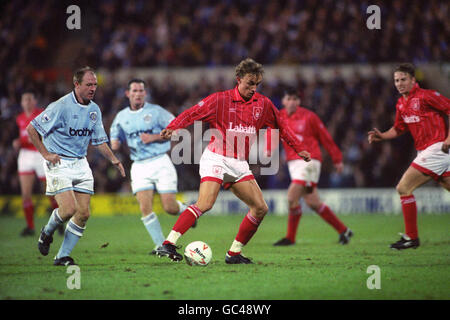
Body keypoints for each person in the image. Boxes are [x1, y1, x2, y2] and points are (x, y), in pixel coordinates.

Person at [156, 58, 311, 264]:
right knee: (206, 203)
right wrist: (174, 126)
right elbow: (193, 113)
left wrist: (299, 148)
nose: (253, 88)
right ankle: (168, 244)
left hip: (238, 163)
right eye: (249, 83)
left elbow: (281, 126)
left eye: (257, 84)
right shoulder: (220, 100)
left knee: (260, 208)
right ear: (238, 79)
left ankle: (234, 253)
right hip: (216, 157)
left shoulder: (263, 105)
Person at [27, 66, 125, 266]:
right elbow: (32, 128)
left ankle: (62, 256)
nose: (93, 88)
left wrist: (114, 159)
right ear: (76, 84)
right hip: (59, 161)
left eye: (95, 85)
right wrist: (45, 154)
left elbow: (98, 141)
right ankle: (47, 231)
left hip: (80, 163)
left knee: (84, 213)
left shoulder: (94, 110)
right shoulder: (61, 106)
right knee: (69, 208)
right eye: (89, 84)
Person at [368, 63, 450, 250]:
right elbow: (399, 128)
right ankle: (411, 238)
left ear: (413, 80)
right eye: (396, 80)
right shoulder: (401, 103)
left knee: (403, 188)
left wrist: (449, 137)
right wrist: (382, 135)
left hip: (437, 148)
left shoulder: (427, 96)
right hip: (426, 151)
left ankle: (411, 238)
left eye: (403, 79)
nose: (399, 83)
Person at [110, 79, 188, 254]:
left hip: (160, 161)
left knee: (170, 208)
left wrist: (153, 137)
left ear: (145, 94)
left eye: (140, 91)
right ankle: (161, 245)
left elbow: (177, 129)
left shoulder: (157, 112)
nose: (137, 94)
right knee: (145, 207)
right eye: (134, 91)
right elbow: (115, 141)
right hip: (139, 165)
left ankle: (187, 211)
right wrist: (113, 145)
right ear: (128, 94)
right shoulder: (121, 117)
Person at [272, 87, 353, 246]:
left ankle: (290, 238)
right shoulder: (279, 117)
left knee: (291, 196)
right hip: (293, 164)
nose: (292, 102)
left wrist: (337, 158)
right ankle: (344, 230)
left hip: (309, 161)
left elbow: (325, 137)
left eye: (295, 99)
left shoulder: (309, 117)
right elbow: (271, 133)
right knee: (313, 202)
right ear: (283, 101)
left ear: (299, 101)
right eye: (289, 98)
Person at [13, 91, 60, 236]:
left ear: (34, 101)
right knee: (25, 194)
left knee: (50, 191)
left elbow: (42, 134)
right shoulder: (19, 118)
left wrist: (22, 141)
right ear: (21, 103)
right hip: (25, 155)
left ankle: (58, 222)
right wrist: (17, 142)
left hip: (40, 153)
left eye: (29, 99)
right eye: (24, 100)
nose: (27, 102)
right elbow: (22, 136)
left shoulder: (41, 114)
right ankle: (30, 226)